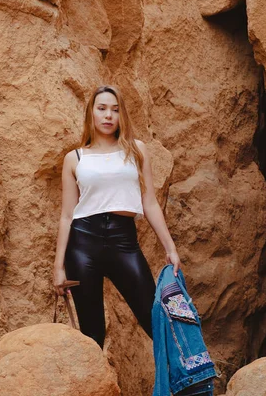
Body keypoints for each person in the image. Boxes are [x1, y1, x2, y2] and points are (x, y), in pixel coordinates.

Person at [53, 84, 181, 349]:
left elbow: (150, 203)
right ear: (91, 114)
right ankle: (94, 390)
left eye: (115, 110)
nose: (108, 115)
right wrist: (58, 267)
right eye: (102, 109)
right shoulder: (74, 158)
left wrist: (170, 248)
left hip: (124, 241)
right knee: (92, 332)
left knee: (156, 319)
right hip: (83, 245)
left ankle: (183, 388)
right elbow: (67, 215)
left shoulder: (136, 150)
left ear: (122, 115)